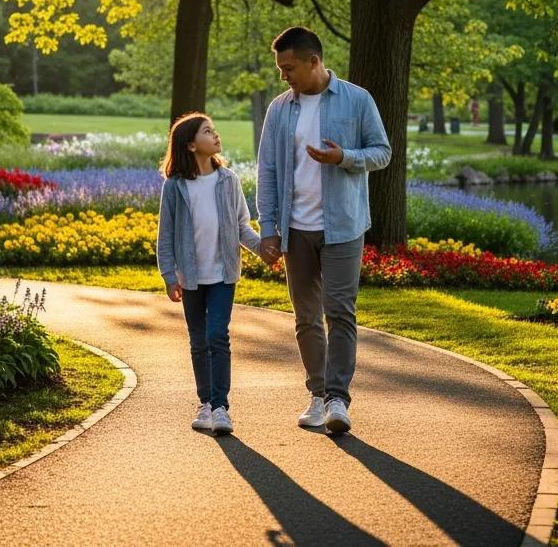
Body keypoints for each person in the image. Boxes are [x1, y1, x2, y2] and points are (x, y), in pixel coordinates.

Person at [257, 26, 391, 435]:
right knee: (306, 318)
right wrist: (269, 228)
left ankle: (337, 399)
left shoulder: (357, 99)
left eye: (290, 68)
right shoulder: (280, 108)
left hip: (344, 227)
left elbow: (382, 152)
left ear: (314, 62)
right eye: (280, 69)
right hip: (296, 229)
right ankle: (317, 394)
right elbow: (269, 170)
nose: (284, 76)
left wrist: (343, 157)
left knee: (340, 313)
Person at [156, 112, 263, 437]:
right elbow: (166, 236)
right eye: (207, 132)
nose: (215, 136)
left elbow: (242, 225)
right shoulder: (175, 187)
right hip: (190, 277)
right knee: (198, 340)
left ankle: (220, 408)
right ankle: (205, 403)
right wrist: (169, 276)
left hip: (222, 274)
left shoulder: (227, 180)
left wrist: (263, 249)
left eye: (214, 131)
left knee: (218, 335)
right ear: (190, 145)